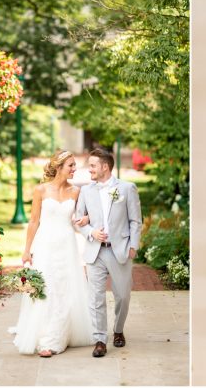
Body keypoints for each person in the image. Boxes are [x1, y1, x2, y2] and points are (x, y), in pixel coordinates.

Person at [10, 150, 95, 357]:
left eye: (75, 165)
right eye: (71, 165)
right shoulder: (41, 190)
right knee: (46, 288)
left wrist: (85, 220)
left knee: (65, 289)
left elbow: (83, 217)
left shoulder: (76, 191)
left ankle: (57, 337)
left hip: (67, 245)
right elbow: (34, 221)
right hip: (45, 244)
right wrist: (26, 250)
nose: (75, 169)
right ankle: (45, 337)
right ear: (59, 167)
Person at [73, 147, 142, 358]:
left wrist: (133, 246)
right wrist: (91, 231)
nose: (89, 169)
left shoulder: (127, 188)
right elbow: (77, 221)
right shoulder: (86, 191)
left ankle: (118, 329)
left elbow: (135, 220)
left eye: (92, 165)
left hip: (119, 251)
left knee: (123, 296)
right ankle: (100, 340)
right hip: (95, 252)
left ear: (105, 166)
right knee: (96, 298)